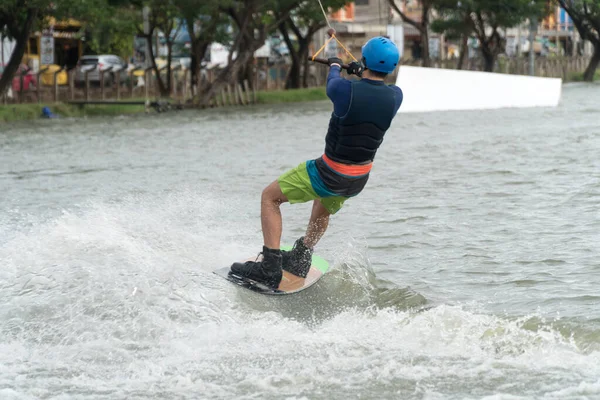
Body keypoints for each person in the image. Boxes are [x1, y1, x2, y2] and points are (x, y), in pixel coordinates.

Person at [230, 34, 404, 288]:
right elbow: (369, 90)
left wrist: (335, 64)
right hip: (357, 179)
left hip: (329, 172)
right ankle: (301, 256)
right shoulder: (395, 96)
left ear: (364, 60)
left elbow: (334, 81)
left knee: (269, 197)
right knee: (324, 203)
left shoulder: (343, 90)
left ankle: (269, 268)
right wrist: (359, 72)